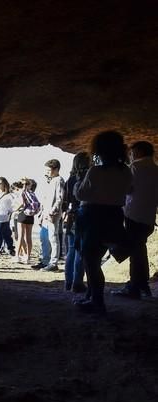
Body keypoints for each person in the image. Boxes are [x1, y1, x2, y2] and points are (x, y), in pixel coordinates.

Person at [74, 131, 132, 314]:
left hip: (92, 216)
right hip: (114, 216)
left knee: (90, 261)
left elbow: (81, 195)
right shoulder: (126, 170)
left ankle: (97, 302)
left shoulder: (95, 171)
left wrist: (77, 183)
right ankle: (91, 295)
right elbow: (130, 190)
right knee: (96, 258)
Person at [112, 141, 158, 299]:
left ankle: (134, 287)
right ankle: (142, 284)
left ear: (137, 152)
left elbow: (127, 189)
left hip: (133, 214)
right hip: (148, 216)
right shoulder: (156, 169)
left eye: (131, 153)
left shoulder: (134, 168)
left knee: (135, 251)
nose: (130, 156)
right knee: (140, 249)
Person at [63, 152, 90, 292]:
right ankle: (77, 282)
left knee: (71, 250)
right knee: (81, 250)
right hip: (83, 214)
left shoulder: (69, 179)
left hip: (71, 215)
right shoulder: (88, 176)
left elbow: (65, 199)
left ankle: (68, 282)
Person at [32, 159, 65, 271]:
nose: (46, 172)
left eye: (48, 170)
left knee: (53, 238)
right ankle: (45, 260)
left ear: (56, 169)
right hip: (45, 214)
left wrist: (52, 212)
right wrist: (42, 213)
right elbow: (45, 198)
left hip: (52, 215)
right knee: (44, 238)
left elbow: (59, 198)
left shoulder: (59, 180)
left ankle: (53, 262)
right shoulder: (50, 180)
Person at [12, 178, 40, 264]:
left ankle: (17, 256)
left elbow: (22, 203)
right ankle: (27, 257)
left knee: (20, 236)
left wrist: (14, 210)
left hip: (23, 214)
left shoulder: (22, 193)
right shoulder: (32, 193)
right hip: (30, 216)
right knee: (28, 237)